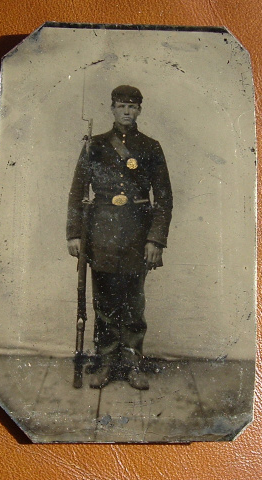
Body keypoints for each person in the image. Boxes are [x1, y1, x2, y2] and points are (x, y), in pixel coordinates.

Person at [66, 85, 173, 390]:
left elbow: (164, 198)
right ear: (111, 109)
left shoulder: (151, 147)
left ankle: (133, 363)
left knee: (134, 305)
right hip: (101, 235)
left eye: (133, 107)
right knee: (103, 304)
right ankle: (105, 362)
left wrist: (156, 240)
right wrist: (75, 234)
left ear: (140, 110)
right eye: (121, 106)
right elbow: (77, 192)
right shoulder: (95, 146)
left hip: (137, 236)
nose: (127, 112)